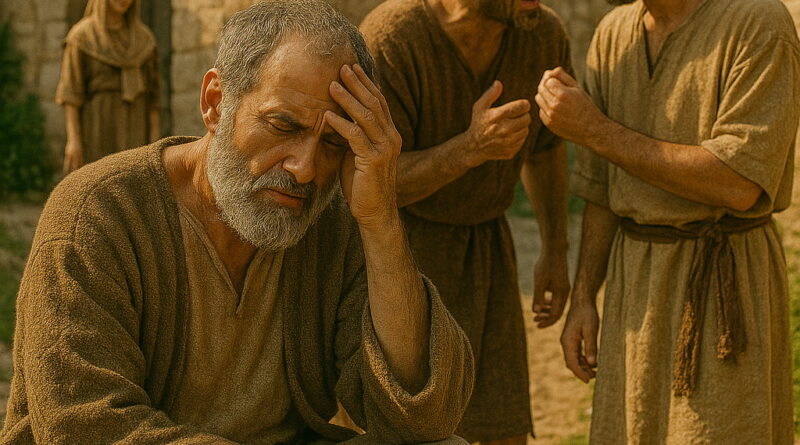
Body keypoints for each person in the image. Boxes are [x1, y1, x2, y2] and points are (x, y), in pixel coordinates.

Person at [1, 2, 475, 443]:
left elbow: (423, 415)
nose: (305, 169)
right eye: (283, 126)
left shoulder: (328, 219)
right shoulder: (98, 213)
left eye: (333, 143)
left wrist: (380, 220)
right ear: (215, 102)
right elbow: (83, 423)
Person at [535, 0, 800, 442]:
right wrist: (584, 296)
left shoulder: (758, 23)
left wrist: (594, 129)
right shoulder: (613, 33)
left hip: (722, 284)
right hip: (634, 288)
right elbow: (602, 187)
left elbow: (738, 183)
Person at [360, 0, 571, 443]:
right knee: (412, 427)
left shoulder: (541, 32)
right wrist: (468, 149)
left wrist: (554, 249)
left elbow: (546, 149)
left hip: (489, 255)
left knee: (502, 424)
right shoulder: (391, 39)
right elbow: (374, 184)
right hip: (400, 260)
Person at [56, 0, 161, 173]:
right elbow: (70, 93)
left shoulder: (144, 39)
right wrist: (73, 140)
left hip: (135, 126)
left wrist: (154, 139)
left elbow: (153, 97)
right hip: (97, 126)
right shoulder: (83, 36)